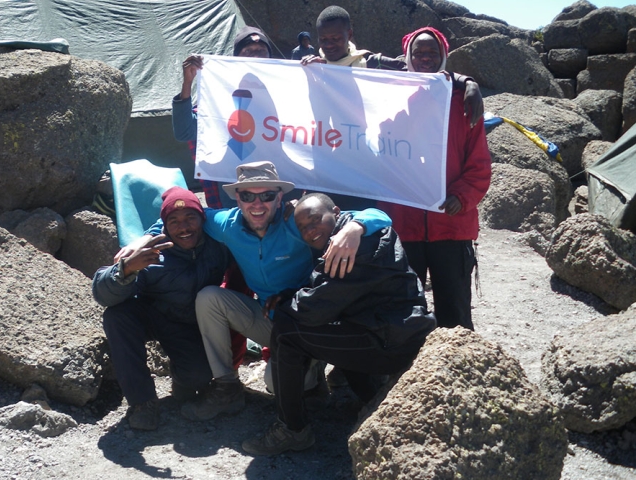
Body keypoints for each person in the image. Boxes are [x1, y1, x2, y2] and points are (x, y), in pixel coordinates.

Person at [122, 161, 392, 421]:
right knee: (210, 298)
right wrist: (147, 236)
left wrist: (356, 227)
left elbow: (380, 217)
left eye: (267, 195)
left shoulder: (296, 222)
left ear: (279, 198)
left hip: (309, 319)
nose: (257, 203)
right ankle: (227, 387)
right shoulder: (226, 224)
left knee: (275, 383)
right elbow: (184, 216)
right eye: (248, 195)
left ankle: (315, 371)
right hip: (270, 320)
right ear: (237, 199)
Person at [242, 193, 436, 455]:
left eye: (315, 220)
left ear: (335, 211)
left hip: (392, 341)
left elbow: (313, 310)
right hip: (393, 330)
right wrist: (291, 295)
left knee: (288, 331)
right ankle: (373, 400)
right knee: (338, 322)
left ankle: (293, 429)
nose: (310, 231)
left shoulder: (355, 246)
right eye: (303, 227)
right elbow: (327, 291)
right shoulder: (353, 233)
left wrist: (288, 303)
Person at [378, 27, 492, 331]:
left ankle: (456, 366)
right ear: (408, 57)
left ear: (444, 55)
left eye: (432, 53)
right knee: (403, 307)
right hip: (403, 224)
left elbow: (479, 164)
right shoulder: (388, 97)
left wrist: (462, 197)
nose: (425, 58)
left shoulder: (463, 101)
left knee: (453, 311)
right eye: (418, 53)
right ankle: (404, 370)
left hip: (451, 225)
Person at [92, 187, 230, 430]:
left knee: (198, 378)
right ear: (165, 225)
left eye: (191, 218)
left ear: (202, 220)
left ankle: (182, 379)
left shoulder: (219, 246)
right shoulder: (152, 251)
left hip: (187, 324)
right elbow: (102, 294)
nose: (184, 227)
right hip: (151, 315)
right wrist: (126, 270)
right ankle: (142, 402)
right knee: (117, 316)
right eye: (174, 221)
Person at [301, 5, 483, 127]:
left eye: (336, 38)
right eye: (323, 39)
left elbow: (417, 69)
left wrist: (468, 82)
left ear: (349, 34)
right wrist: (308, 69)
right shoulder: (316, 66)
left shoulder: (370, 62)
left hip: (360, 144)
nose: (329, 45)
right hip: (328, 141)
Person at [173, 26, 273, 209]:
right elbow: (184, 131)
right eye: (248, 51)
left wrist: (320, 75)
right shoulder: (220, 99)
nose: (256, 56)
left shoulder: (286, 93)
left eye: (261, 51)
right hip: (233, 194)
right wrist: (187, 83)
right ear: (236, 57)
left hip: (276, 190)